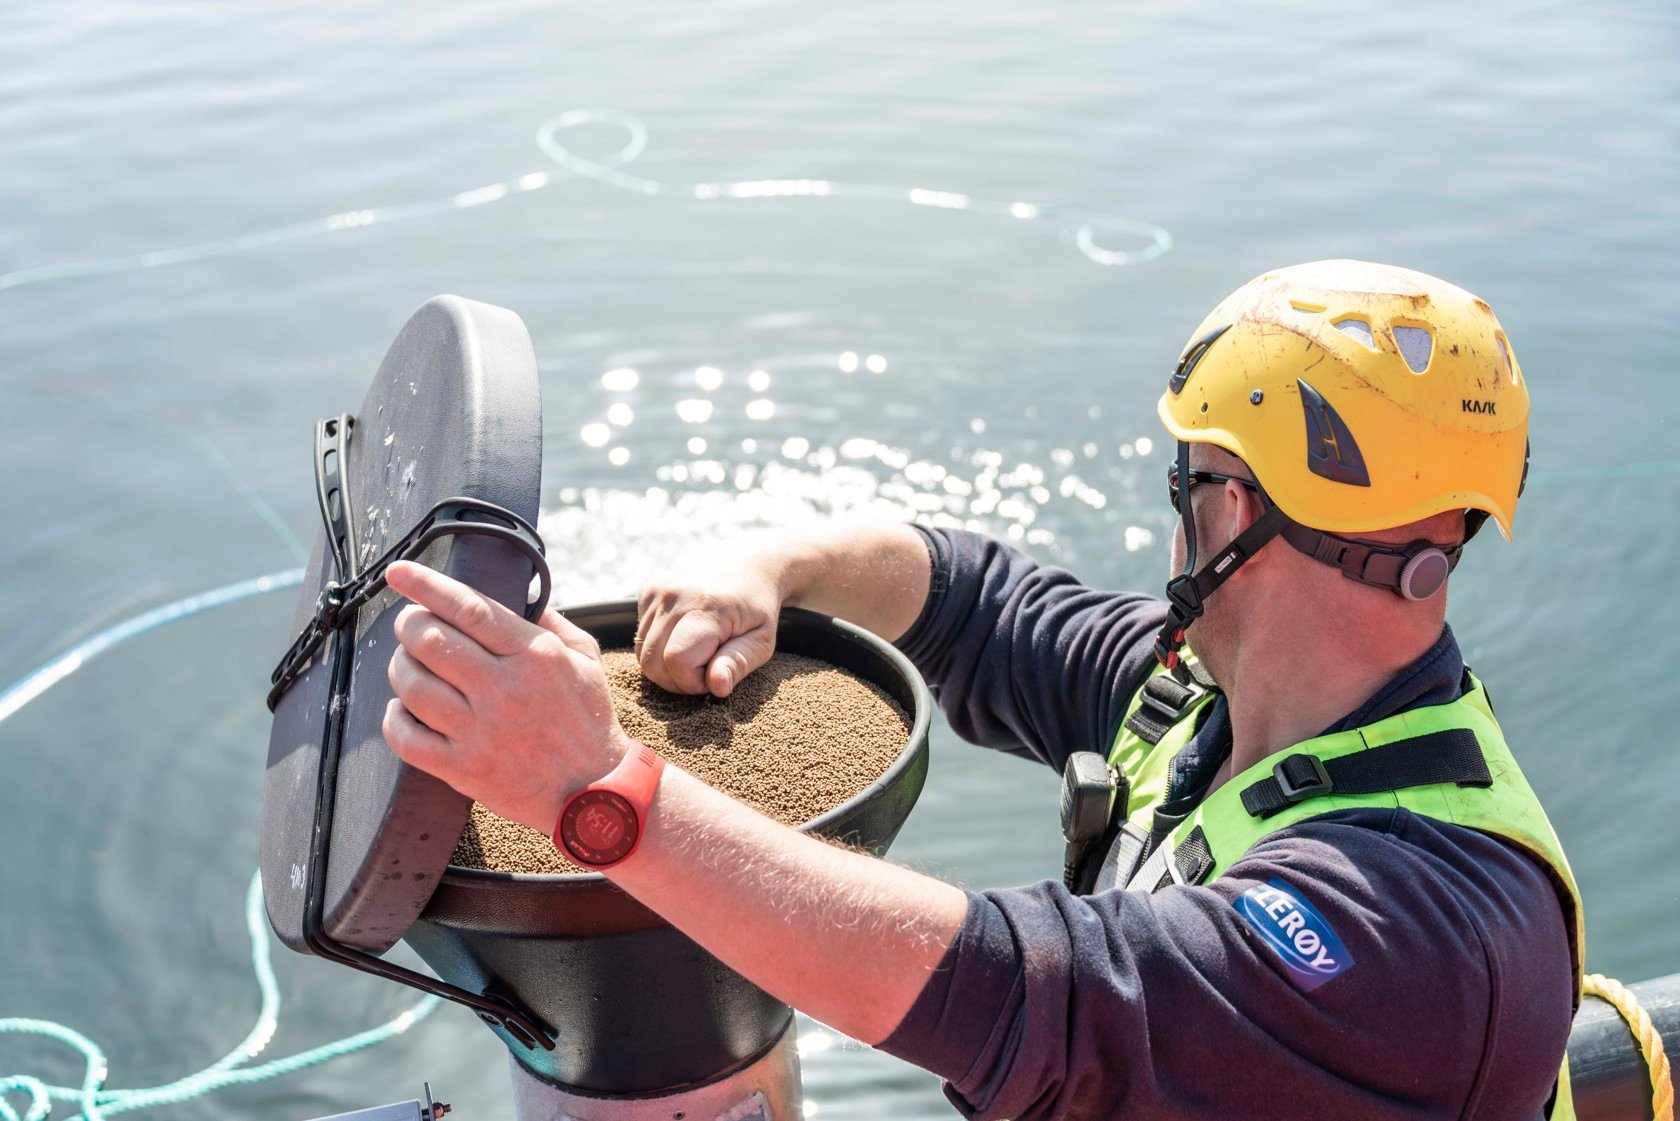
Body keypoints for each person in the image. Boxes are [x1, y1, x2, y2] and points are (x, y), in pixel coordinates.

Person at [379, 259, 1582, 1120]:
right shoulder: (1223, 698)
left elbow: (1029, 1000)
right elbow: (977, 600)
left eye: (1188, 475)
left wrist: (594, 788)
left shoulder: (1422, 935)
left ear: (1235, 508)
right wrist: (775, 566)